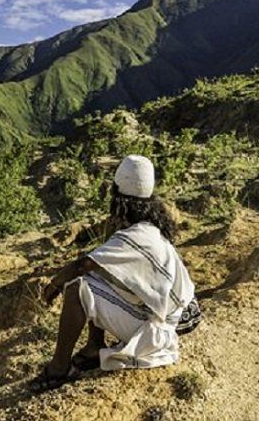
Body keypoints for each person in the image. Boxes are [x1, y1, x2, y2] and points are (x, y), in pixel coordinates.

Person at [32, 155, 196, 390]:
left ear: (118, 196)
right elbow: (103, 265)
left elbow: (82, 266)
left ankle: (59, 368)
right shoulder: (150, 228)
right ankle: (93, 347)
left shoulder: (134, 237)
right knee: (100, 275)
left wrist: (54, 285)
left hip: (156, 331)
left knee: (78, 288)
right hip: (169, 317)